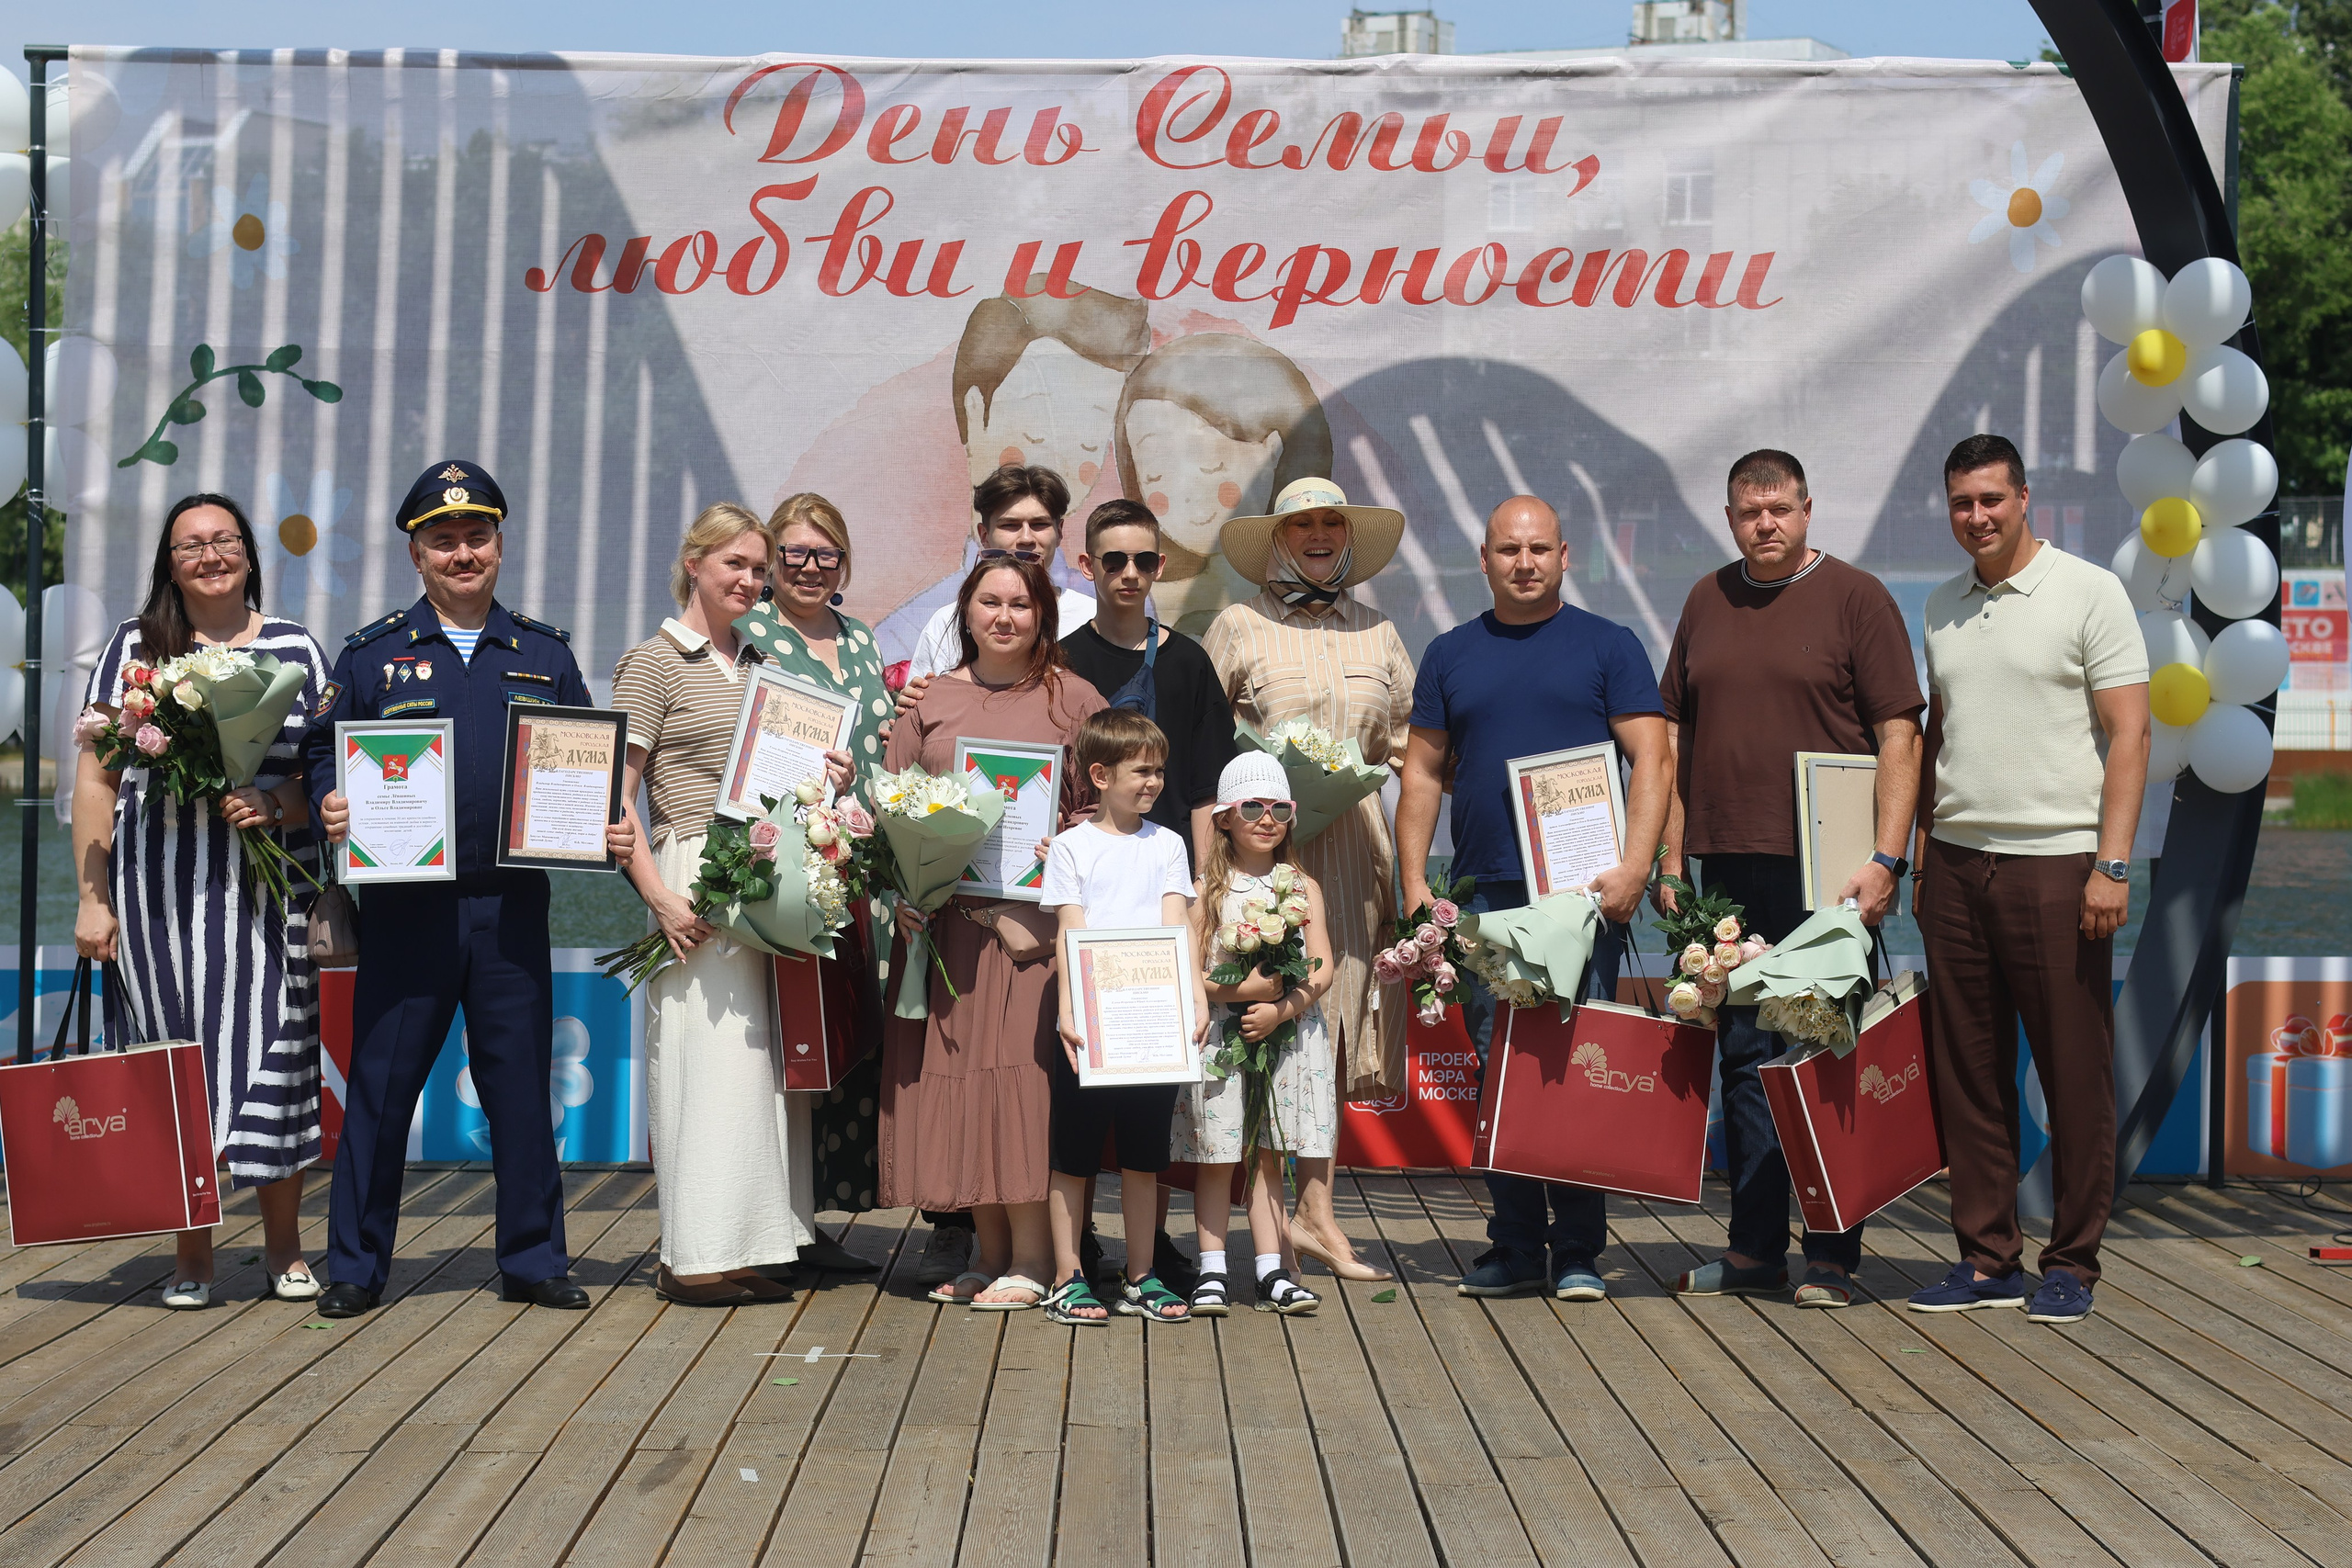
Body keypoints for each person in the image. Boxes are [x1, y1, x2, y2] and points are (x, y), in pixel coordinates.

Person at [302, 459, 637, 1319]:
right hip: (407, 909)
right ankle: (354, 1267)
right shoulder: (374, 655)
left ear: (499, 542)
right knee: (379, 1089)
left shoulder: (545, 652)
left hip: (509, 907)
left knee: (521, 1088)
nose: (461, 552)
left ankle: (532, 1257)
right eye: (442, 539)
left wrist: (597, 815)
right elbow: (318, 750)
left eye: (475, 536)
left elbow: (582, 756)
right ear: (416, 553)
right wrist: (329, 800)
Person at [1657, 449, 1923, 1309]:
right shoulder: (1705, 599)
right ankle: (1753, 1250)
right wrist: (1669, 858)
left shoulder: (1858, 598)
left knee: (1824, 1054)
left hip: (1832, 876)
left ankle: (1833, 1255)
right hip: (1728, 867)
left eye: (1779, 508)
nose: (1764, 523)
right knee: (1742, 1058)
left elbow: (1898, 739)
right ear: (1729, 518)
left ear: (1808, 509)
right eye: (1747, 512)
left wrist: (1887, 858)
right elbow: (1675, 744)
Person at [1396, 495, 1671, 1303]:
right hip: (1491, 898)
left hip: (1587, 896)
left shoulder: (1608, 646)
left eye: (1539, 548)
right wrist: (1415, 881)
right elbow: (1420, 772)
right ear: (1482, 559)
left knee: (1579, 1065)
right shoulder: (1449, 653)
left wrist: (1634, 866)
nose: (1525, 562)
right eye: (1508, 549)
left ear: (1565, 555)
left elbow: (1652, 763)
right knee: (1502, 1067)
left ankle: (1580, 1248)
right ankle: (1515, 1245)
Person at [1908, 434, 2148, 1325]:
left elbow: (2131, 735)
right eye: (1961, 503)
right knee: (1967, 1073)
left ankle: (2072, 1264)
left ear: (2023, 499)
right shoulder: (1937, 606)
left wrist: (2109, 865)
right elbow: (1940, 740)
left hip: (2059, 867)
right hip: (1957, 871)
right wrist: (1924, 858)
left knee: (2072, 1072)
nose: (1976, 517)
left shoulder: (2089, 591)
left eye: (1990, 500)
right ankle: (1985, 1258)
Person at [73, 493, 330, 1308]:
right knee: (172, 1058)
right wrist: (92, 898)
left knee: (280, 1059)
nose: (210, 554)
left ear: (250, 554)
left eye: (224, 540)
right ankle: (192, 1255)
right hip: (158, 894)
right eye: (191, 544)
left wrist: (277, 803)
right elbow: (96, 776)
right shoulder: (134, 646)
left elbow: (325, 769)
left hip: (269, 885)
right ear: (169, 561)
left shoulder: (296, 645)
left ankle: (285, 1249)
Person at [612, 502, 860, 1306]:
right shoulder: (652, 662)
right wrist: (660, 898)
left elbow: (783, 781)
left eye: (759, 569)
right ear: (695, 565)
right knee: (705, 1060)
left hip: (758, 870)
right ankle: (694, 1255)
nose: (752, 581)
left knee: (753, 1066)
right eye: (737, 567)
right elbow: (615, 804)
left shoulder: (757, 663)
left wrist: (831, 783)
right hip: (689, 863)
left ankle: (749, 1239)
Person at [879, 555, 1107, 1309]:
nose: (1004, 617)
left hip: (1034, 936)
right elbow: (891, 808)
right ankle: (989, 1252)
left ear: (1044, 613)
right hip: (948, 934)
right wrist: (904, 889)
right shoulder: (931, 700)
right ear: (965, 613)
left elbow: (1109, 811)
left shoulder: (1075, 701)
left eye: (1020, 603)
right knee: (967, 1089)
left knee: (1023, 1089)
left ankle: (1039, 1260)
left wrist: (1065, 845)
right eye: (989, 602)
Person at [1204, 475, 1416, 1283]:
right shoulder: (1237, 624)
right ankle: (1258, 1222)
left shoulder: (1381, 632)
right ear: (1279, 539)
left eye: (1333, 522)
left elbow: (1408, 755)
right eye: (1303, 524)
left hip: (1352, 857)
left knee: (1328, 1014)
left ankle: (1317, 1211)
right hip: (1260, 853)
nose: (1320, 534)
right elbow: (1206, 740)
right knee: (1258, 1016)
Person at [1058, 496, 1238, 1292]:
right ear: (1087, 565)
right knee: (1076, 1103)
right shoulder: (1057, 661)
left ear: (1161, 566)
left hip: (1163, 903)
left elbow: (1204, 793)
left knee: (1148, 1109)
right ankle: (1075, 1254)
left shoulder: (1189, 662)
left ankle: (1148, 1254)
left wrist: (1200, 906)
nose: (1128, 574)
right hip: (1085, 907)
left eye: (1144, 560)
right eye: (1113, 560)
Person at [734, 493, 897, 1242]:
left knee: (849, 1038)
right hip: (786, 866)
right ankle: (783, 1221)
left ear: (844, 562)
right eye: (793, 553)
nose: (808, 567)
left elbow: (883, 737)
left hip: (858, 865)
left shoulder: (860, 637)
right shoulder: (750, 633)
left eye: (824, 553)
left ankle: (817, 1223)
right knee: (792, 1041)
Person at [1039, 709, 1206, 1325]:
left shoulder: (1168, 844)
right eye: (1142, 770)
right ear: (1100, 773)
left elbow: (1177, 926)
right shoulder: (1070, 846)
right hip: (1088, 1024)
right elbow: (1067, 933)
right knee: (1073, 1154)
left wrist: (1196, 999)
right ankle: (1067, 1274)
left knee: (1145, 1156)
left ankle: (1141, 1275)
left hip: (1153, 1024)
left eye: (1160, 770)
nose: (1154, 781)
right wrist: (1068, 1011)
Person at [1175, 750, 1337, 1317]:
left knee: (1270, 1153)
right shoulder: (1205, 892)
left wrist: (1282, 1008)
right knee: (1217, 1154)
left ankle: (1271, 1268)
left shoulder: (1302, 886)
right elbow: (1190, 975)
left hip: (1286, 1033)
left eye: (1279, 807)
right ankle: (1212, 1267)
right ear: (1223, 817)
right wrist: (1246, 994)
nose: (1267, 819)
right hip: (1221, 1036)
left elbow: (1322, 965)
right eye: (1252, 807)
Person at [900, 465, 1099, 682]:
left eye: (1039, 524)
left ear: (1059, 532)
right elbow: (922, 704)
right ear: (984, 535)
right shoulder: (946, 623)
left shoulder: (1092, 618)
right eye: (1010, 525)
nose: (1026, 539)